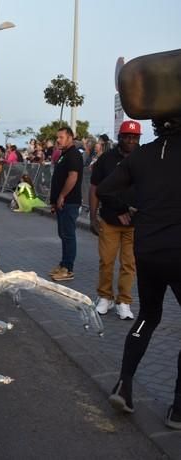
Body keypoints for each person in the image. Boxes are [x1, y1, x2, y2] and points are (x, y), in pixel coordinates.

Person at [97, 116, 181, 428]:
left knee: (148, 314)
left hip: (148, 249)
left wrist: (124, 208)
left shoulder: (142, 155)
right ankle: (178, 409)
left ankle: (124, 383)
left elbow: (104, 189)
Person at [89, 121, 141, 320]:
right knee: (107, 261)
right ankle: (105, 297)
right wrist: (93, 217)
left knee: (130, 264)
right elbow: (95, 189)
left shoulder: (143, 159)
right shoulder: (106, 160)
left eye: (135, 137)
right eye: (127, 136)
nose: (131, 140)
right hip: (110, 220)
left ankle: (124, 301)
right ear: (119, 137)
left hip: (135, 223)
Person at [48, 126, 83, 282]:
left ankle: (68, 269)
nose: (58, 140)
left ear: (70, 138)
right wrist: (55, 201)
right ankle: (63, 264)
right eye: (58, 137)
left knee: (68, 235)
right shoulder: (64, 155)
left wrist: (62, 196)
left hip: (70, 202)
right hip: (62, 203)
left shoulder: (74, 155)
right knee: (63, 234)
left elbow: (73, 177)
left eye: (61, 137)